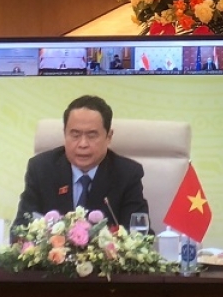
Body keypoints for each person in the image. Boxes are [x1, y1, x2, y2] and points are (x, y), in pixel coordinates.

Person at [14, 95, 148, 227]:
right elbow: (20, 229)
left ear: (108, 137)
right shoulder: (41, 169)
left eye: (92, 135)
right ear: (65, 134)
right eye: (75, 135)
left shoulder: (127, 174)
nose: (83, 144)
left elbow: (139, 233)